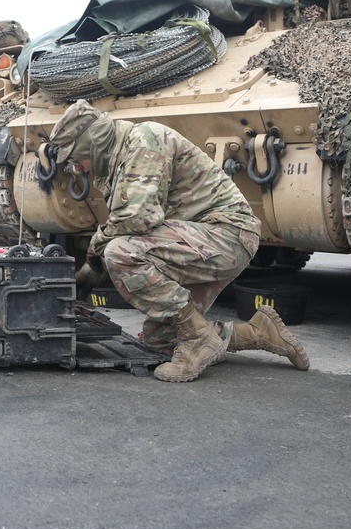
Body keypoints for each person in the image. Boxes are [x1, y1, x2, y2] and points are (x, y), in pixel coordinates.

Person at [46, 99, 309, 382]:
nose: (77, 169)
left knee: (120, 253)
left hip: (226, 234)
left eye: (75, 159)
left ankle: (199, 339)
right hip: (201, 241)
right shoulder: (120, 157)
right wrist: (89, 274)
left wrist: (94, 258)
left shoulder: (143, 141)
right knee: (160, 340)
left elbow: (138, 219)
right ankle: (259, 332)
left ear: (91, 144)